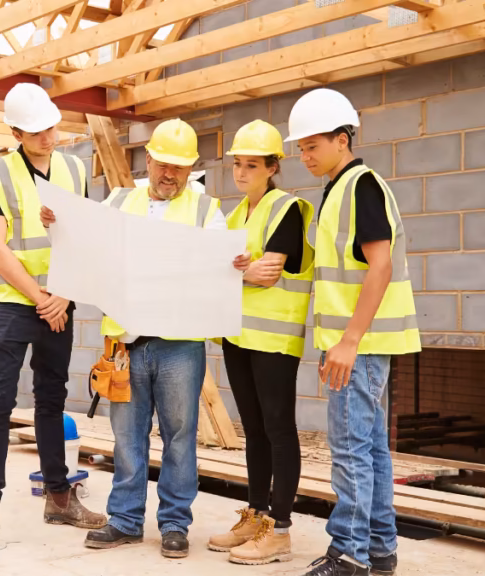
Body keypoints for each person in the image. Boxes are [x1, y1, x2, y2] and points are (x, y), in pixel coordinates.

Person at [43, 118, 228, 558]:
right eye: (163, 164)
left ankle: (174, 525)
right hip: (125, 343)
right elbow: (86, 247)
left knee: (179, 435)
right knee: (127, 437)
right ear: (149, 160)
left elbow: (221, 264)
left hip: (179, 344)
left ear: (190, 170)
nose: (170, 175)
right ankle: (125, 520)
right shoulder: (119, 201)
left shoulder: (206, 212)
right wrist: (57, 226)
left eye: (180, 169)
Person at [0, 83, 107, 549]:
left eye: (51, 126)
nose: (48, 136)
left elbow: (83, 237)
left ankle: (59, 498)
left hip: (58, 302)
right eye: (36, 131)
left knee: (51, 399)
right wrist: (40, 296)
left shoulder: (74, 168)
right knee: (0, 403)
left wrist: (61, 297)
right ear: (15, 132)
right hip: (13, 302)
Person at [285, 88, 420, 576]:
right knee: (368, 449)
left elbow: (379, 267)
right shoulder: (338, 188)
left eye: (312, 145)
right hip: (358, 343)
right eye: (300, 147)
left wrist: (348, 341)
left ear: (342, 139)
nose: (304, 155)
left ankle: (349, 556)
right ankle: (379, 552)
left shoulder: (360, 185)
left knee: (349, 451)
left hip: (359, 345)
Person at [206, 120, 315, 566]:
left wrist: (236, 269)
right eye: (238, 164)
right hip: (238, 335)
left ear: (273, 167)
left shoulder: (287, 209)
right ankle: (256, 514)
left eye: (252, 165)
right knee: (253, 430)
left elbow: (268, 271)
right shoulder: (236, 216)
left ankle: (281, 530)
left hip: (273, 339)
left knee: (278, 429)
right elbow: (222, 270)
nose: (242, 172)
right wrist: (237, 269)